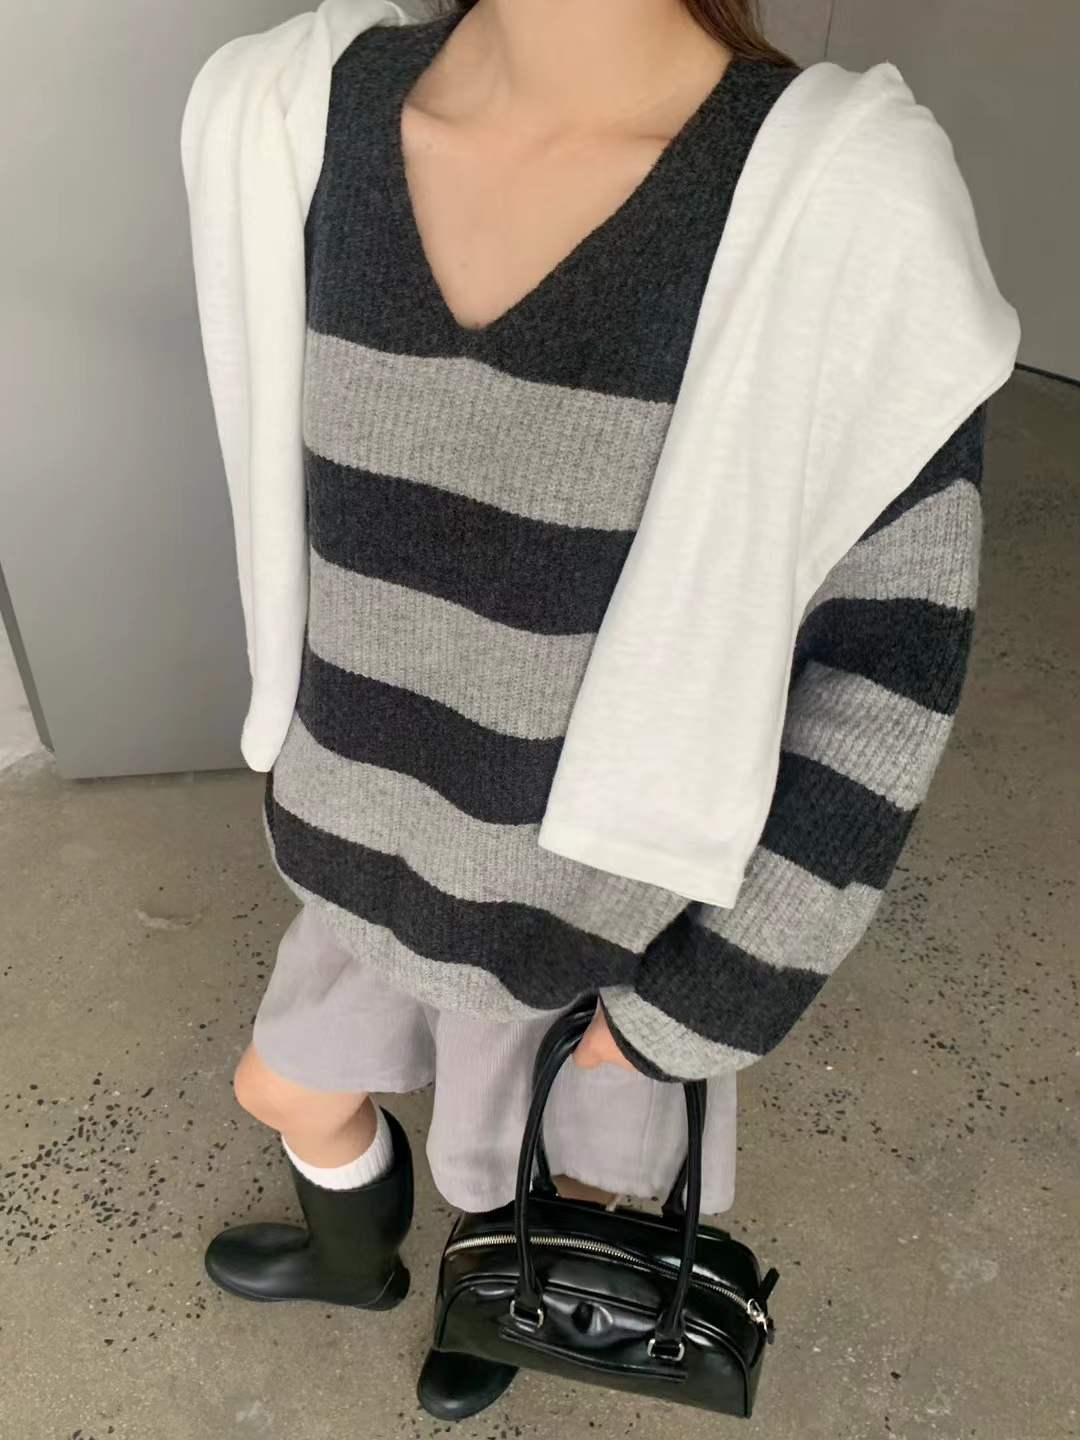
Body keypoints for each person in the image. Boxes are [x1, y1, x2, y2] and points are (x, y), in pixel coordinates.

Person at [194, 0, 993, 1421]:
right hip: (359, 859)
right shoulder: (292, 122)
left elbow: (886, 669)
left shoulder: (839, 208)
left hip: (600, 939)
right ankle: (358, 1257)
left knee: (536, 1197)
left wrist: (700, 1007)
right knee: (289, 1087)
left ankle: (497, 1309)